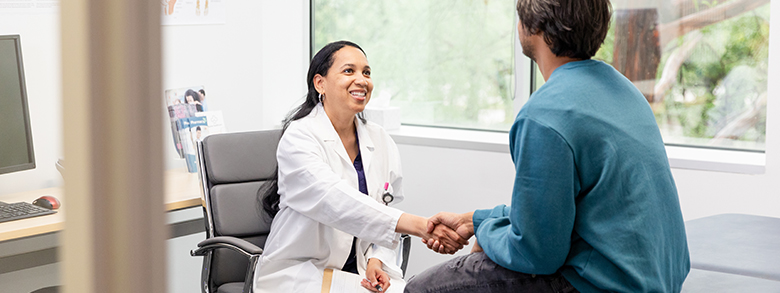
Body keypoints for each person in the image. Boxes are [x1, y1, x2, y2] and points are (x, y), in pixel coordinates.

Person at [408, 0, 690, 292]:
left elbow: (536, 255)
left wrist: (487, 232)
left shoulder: (545, 114)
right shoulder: (623, 90)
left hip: (603, 285)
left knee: (421, 288)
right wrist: (476, 220)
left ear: (536, 27)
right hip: (656, 280)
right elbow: (557, 214)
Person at [253, 41, 467, 293]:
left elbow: (383, 208)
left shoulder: (378, 139)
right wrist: (423, 226)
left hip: (360, 272)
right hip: (302, 272)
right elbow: (338, 202)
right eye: (349, 71)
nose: (362, 80)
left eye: (366, 72)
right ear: (320, 83)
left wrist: (377, 260)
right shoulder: (300, 137)